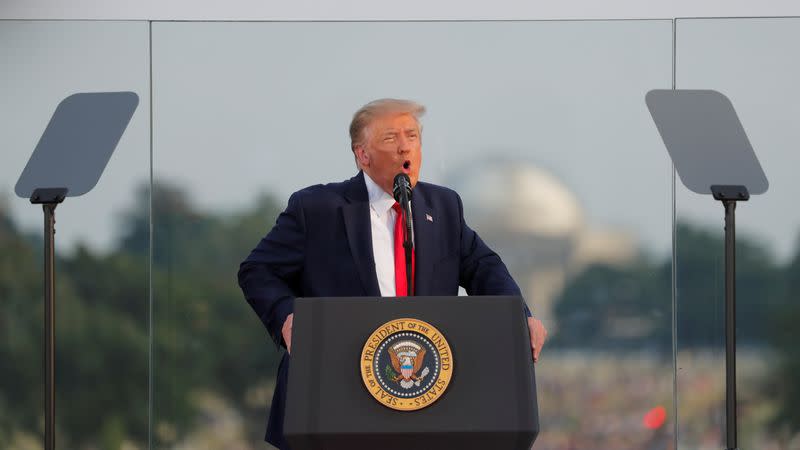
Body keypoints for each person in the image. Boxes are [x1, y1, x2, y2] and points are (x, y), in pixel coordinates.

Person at [238, 98, 547, 449]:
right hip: (335, 396)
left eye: (412, 136)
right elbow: (257, 270)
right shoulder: (317, 209)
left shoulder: (443, 207)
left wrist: (519, 316)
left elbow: (484, 267)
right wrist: (286, 318)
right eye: (390, 138)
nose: (405, 146)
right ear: (362, 155)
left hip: (424, 398)